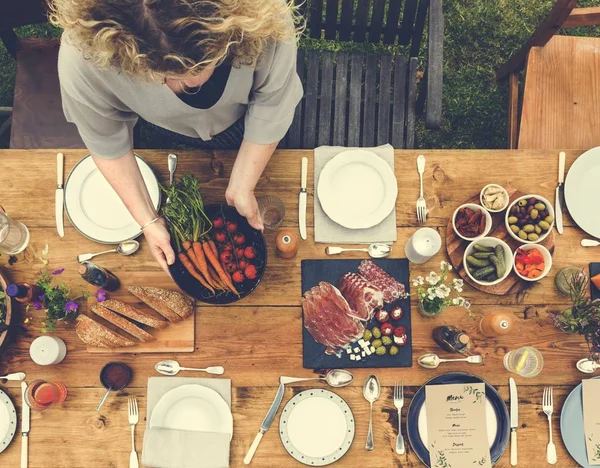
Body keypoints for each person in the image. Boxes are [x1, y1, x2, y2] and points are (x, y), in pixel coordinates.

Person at [50, 0, 303, 273]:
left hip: (248, 121)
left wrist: (242, 184)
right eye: (167, 75)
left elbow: (273, 103)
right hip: (162, 130)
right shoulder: (83, 56)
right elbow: (106, 140)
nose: (193, 85)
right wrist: (148, 221)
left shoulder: (264, 16)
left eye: (210, 62)